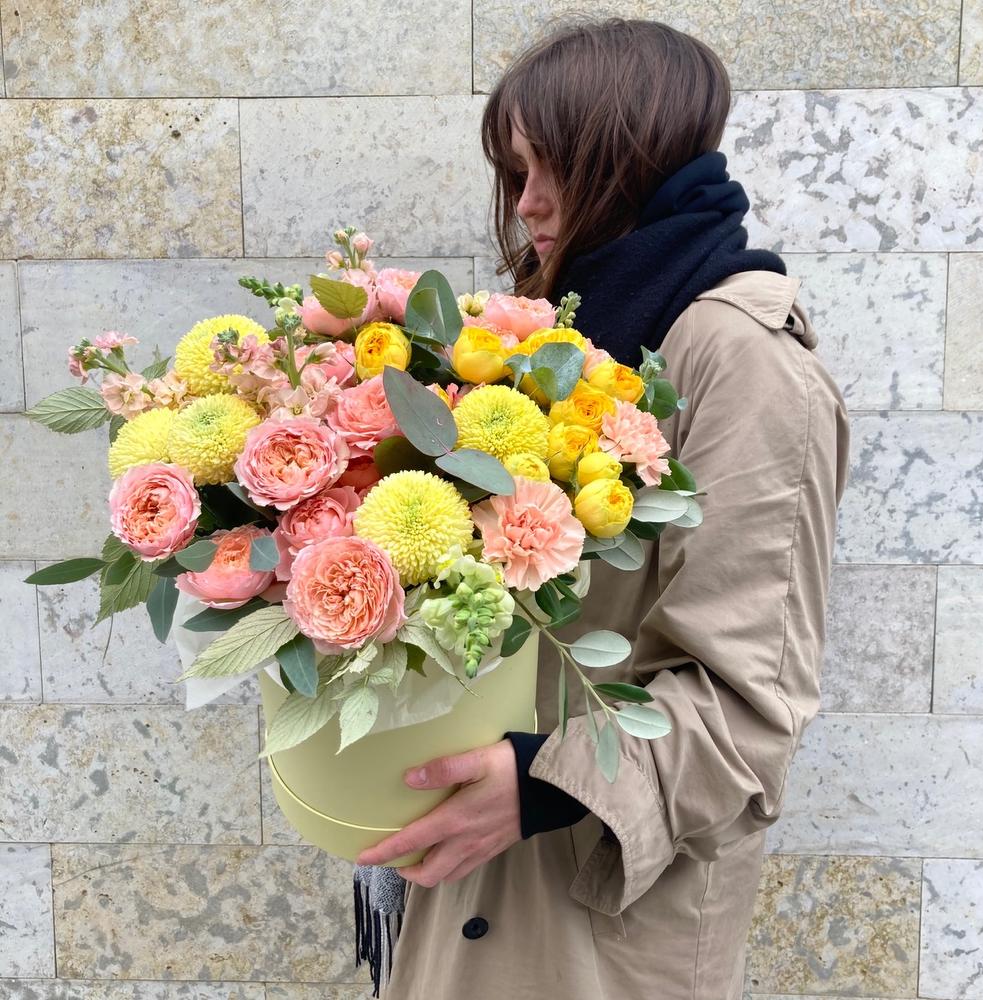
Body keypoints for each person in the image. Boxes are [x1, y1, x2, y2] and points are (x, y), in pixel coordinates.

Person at [356, 17, 850, 999]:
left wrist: (544, 784)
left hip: (596, 928)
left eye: (553, 167)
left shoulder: (741, 361)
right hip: (474, 878)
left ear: (634, 160)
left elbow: (749, 710)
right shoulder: (564, 338)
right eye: (515, 172)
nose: (527, 203)